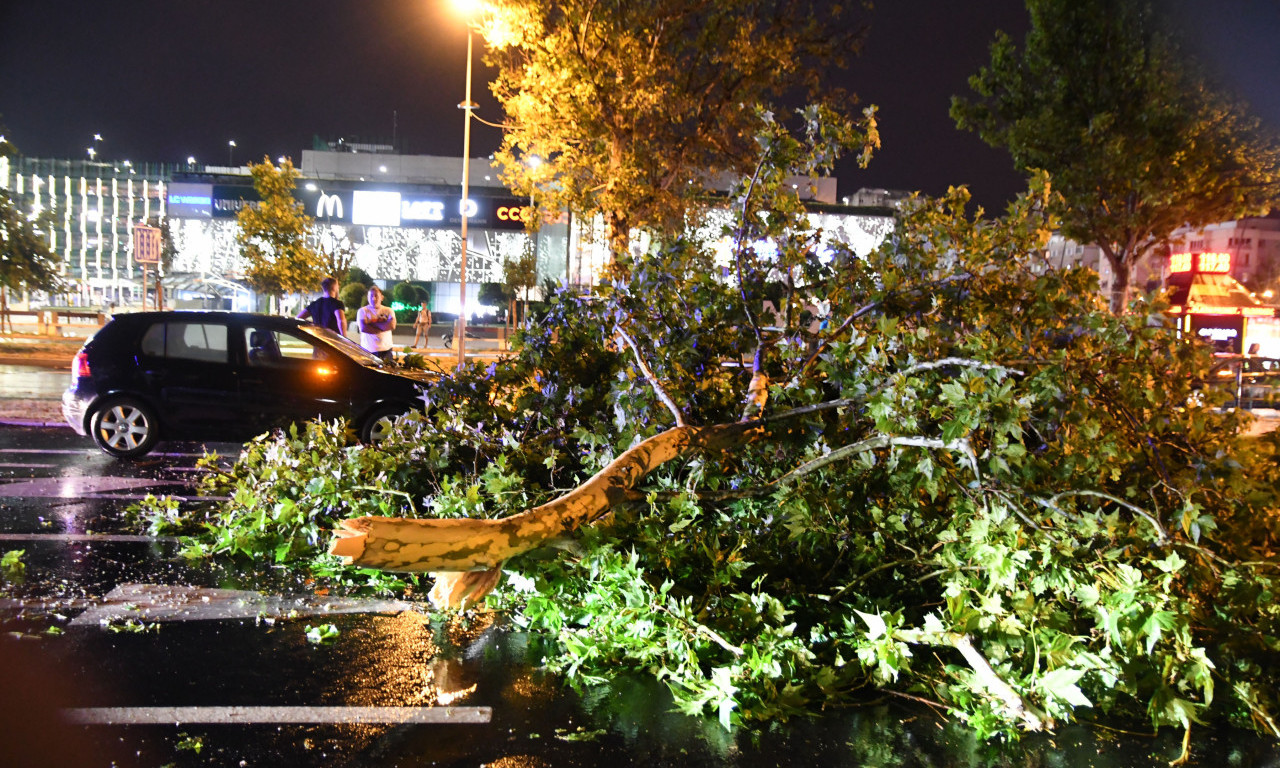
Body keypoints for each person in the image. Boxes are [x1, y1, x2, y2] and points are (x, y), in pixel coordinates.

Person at [357, 285, 396, 360]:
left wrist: (371, 324)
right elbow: (363, 328)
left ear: (382, 297)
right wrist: (383, 325)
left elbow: (392, 325)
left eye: (376, 296)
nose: (373, 298)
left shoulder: (388, 310)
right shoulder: (362, 311)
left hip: (386, 350)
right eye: (371, 296)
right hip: (368, 350)